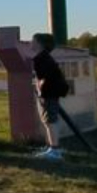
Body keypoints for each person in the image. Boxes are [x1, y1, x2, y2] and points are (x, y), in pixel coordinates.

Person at [30, 32, 69, 160]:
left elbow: (44, 78)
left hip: (49, 94)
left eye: (33, 40)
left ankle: (55, 150)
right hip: (48, 93)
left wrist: (40, 90)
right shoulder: (43, 57)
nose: (31, 43)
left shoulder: (42, 59)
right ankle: (51, 147)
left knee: (50, 121)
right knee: (48, 121)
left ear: (40, 44)